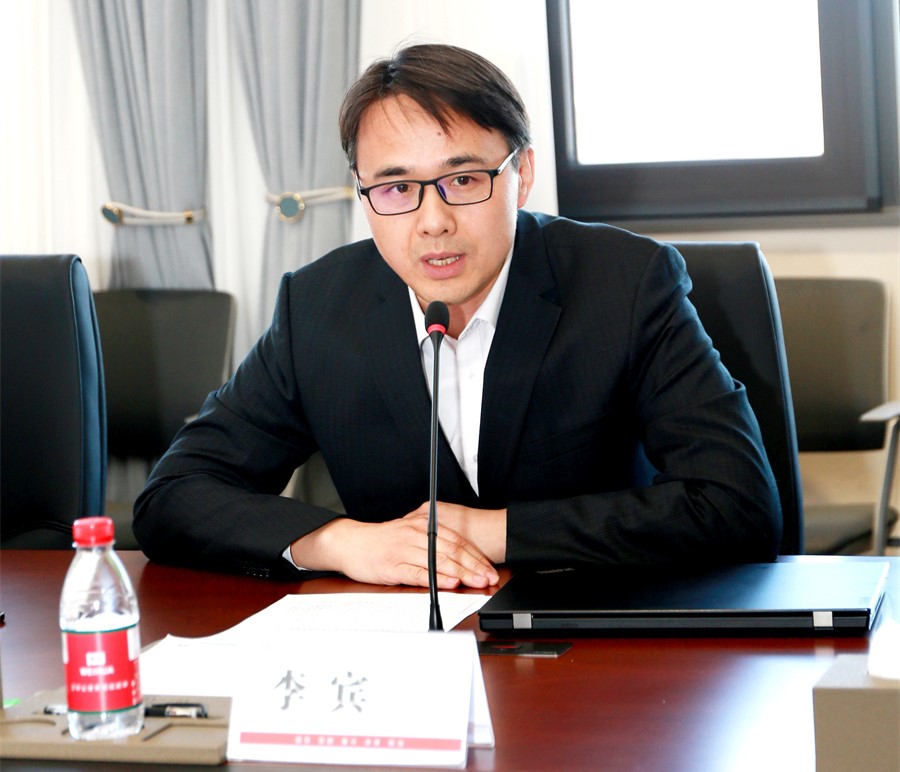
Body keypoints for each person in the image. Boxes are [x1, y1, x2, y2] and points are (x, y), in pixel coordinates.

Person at [134, 43, 782, 586]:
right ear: (363, 195)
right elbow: (174, 495)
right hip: (406, 653)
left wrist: (490, 531)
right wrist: (339, 543)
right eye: (396, 188)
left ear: (522, 175)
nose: (432, 221)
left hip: (599, 643)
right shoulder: (318, 308)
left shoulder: (626, 285)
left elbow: (738, 503)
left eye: (464, 180)